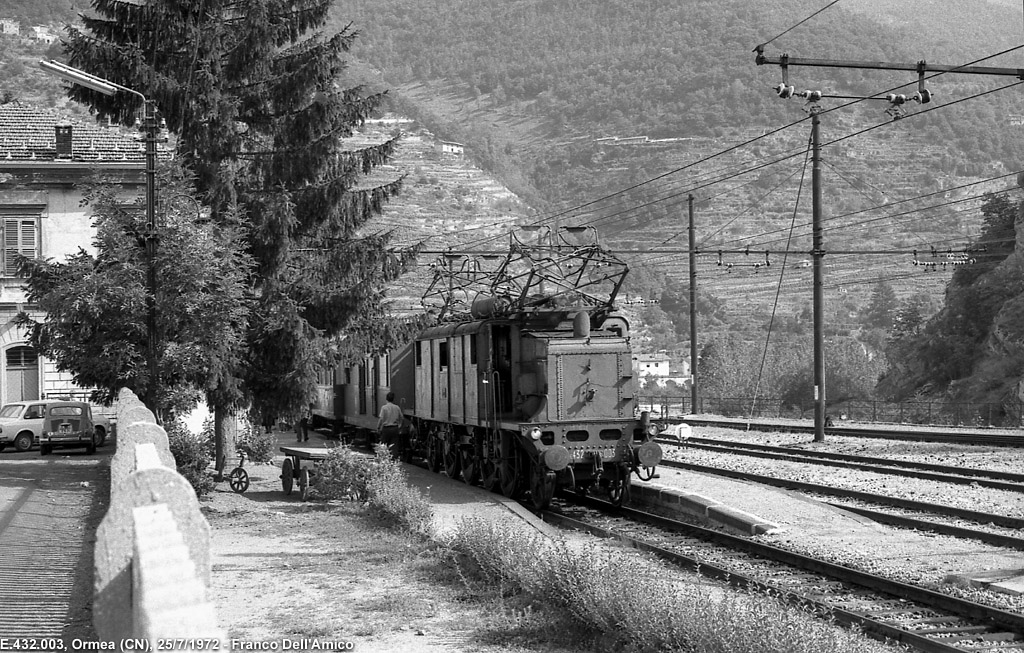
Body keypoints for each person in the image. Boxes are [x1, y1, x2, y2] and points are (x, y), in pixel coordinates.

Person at [376, 391, 404, 457]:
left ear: (386, 399)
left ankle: (384, 458)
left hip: (386, 428)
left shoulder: (384, 408)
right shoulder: (397, 407)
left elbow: (381, 419)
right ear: (394, 399)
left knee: (384, 445)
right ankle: (393, 459)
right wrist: (399, 425)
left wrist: (378, 427)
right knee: (394, 445)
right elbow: (402, 418)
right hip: (395, 428)